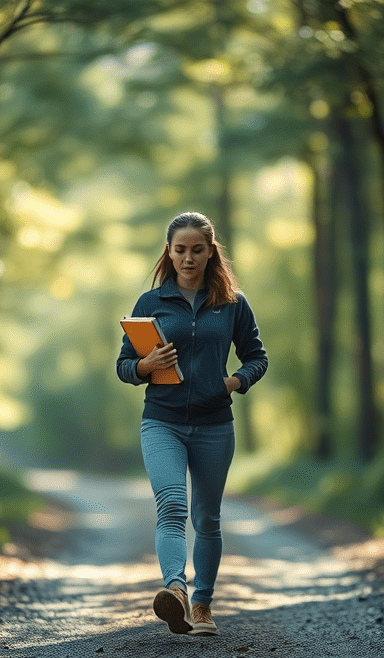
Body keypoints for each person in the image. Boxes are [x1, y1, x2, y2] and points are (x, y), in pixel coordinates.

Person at [116, 211, 268, 636]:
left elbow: (258, 356)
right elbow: (123, 366)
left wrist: (237, 381)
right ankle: (176, 592)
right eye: (180, 250)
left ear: (210, 252)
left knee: (207, 517)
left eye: (196, 250)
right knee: (171, 507)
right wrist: (144, 364)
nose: (188, 258)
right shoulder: (150, 303)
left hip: (215, 424)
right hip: (161, 421)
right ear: (169, 251)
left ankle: (202, 605)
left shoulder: (233, 302)